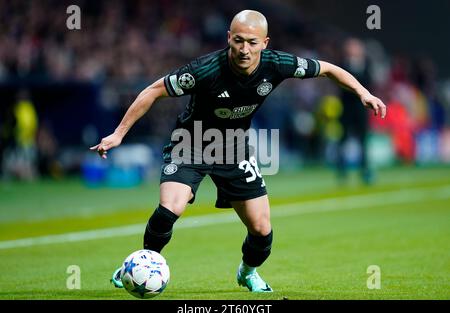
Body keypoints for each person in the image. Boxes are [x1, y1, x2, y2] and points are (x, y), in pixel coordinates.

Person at [91, 10, 386, 292]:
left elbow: (329, 69)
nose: (245, 49)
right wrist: (119, 134)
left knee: (261, 228)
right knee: (171, 208)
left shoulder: (278, 64)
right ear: (228, 37)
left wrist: (364, 92)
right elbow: (154, 90)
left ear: (265, 43)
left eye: (253, 42)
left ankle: (248, 273)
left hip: (234, 149)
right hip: (191, 143)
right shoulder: (205, 70)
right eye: (238, 40)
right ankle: (141, 266)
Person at [336, 38, 374, 184]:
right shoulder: (342, 65)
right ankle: (342, 171)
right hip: (346, 109)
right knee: (343, 140)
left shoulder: (366, 64)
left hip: (361, 109)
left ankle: (365, 171)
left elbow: (369, 83)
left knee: (363, 141)